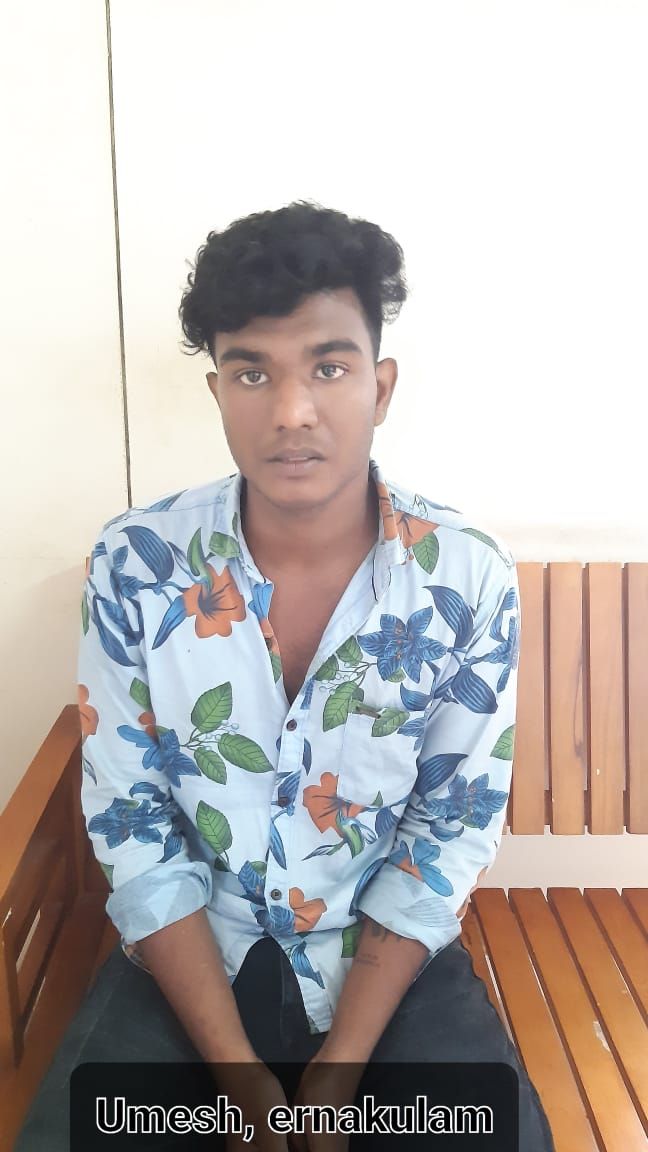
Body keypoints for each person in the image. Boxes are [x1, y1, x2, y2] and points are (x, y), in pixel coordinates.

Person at [16, 202, 554, 1151]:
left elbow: (449, 828)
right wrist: (241, 1081)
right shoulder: (138, 564)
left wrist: (337, 1076)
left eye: (329, 367)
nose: (291, 411)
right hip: (190, 955)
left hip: (382, 961)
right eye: (252, 371)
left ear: (381, 387)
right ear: (218, 389)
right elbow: (135, 825)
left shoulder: (464, 575)